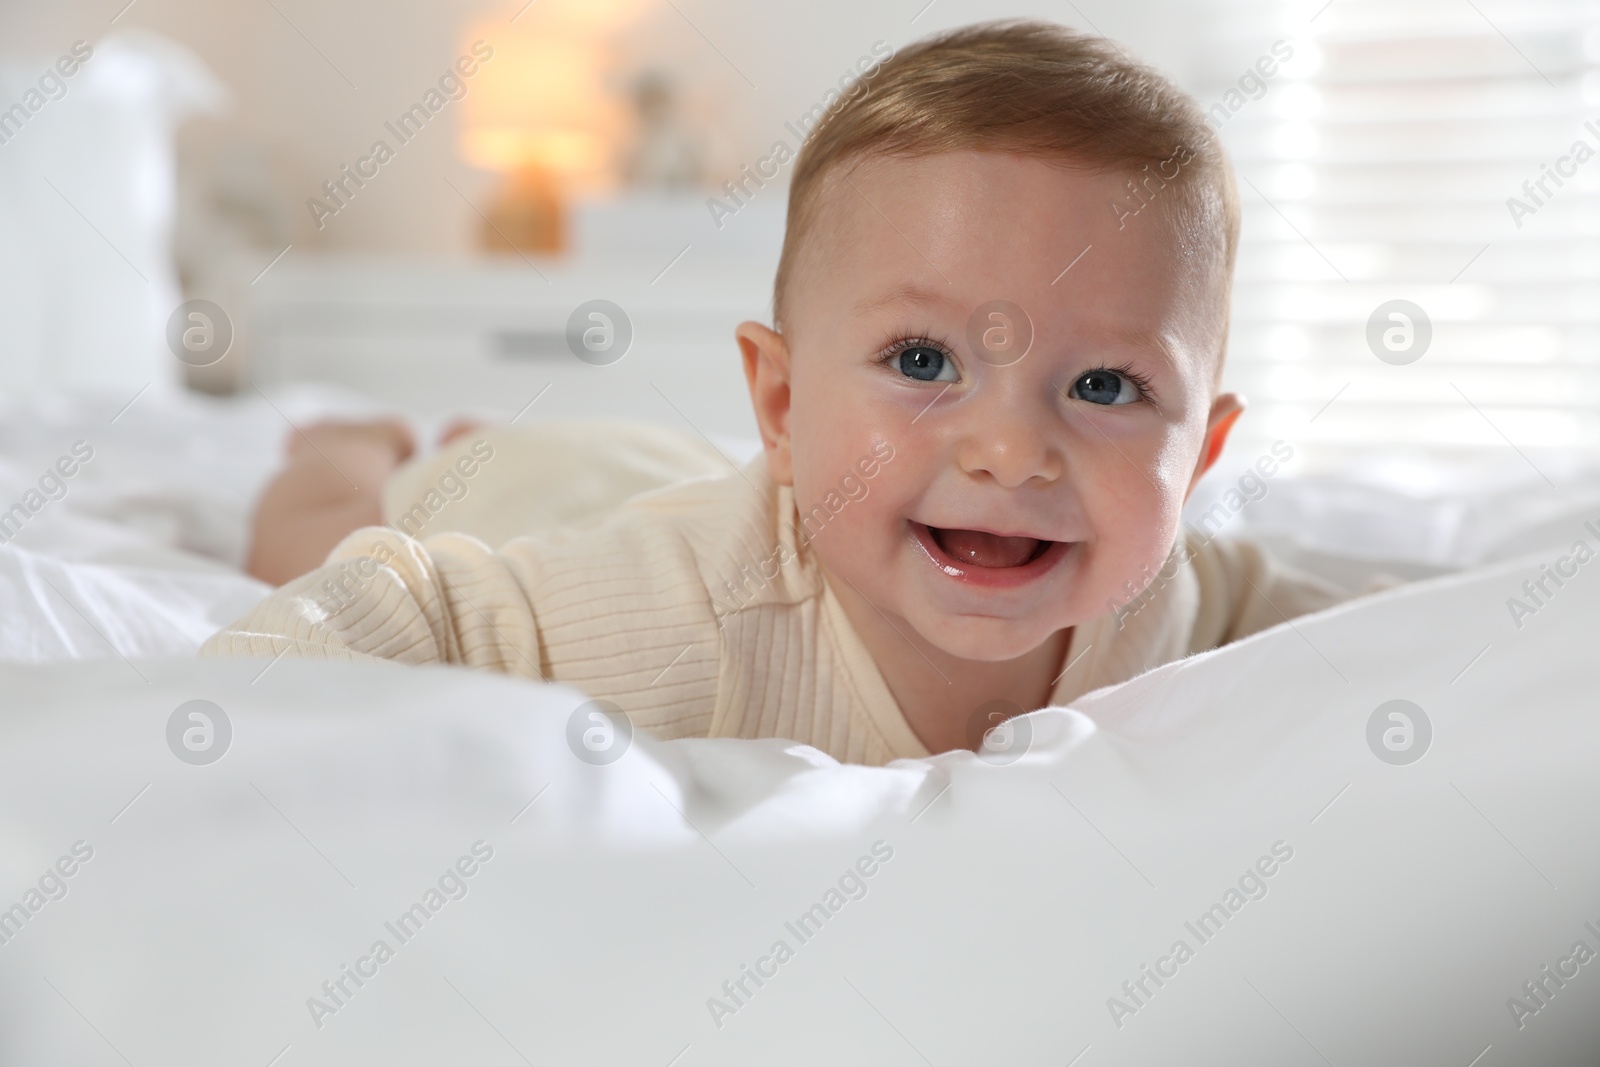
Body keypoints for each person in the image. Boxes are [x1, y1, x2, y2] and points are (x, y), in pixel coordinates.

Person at [204, 19, 1350, 766]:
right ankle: (362, 442)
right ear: (785, 403)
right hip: (539, 497)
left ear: (1199, 456)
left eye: (1105, 384)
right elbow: (407, 611)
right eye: (923, 361)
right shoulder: (670, 616)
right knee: (329, 521)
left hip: (683, 482)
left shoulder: (1185, 603)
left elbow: (1411, 630)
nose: (1010, 449)